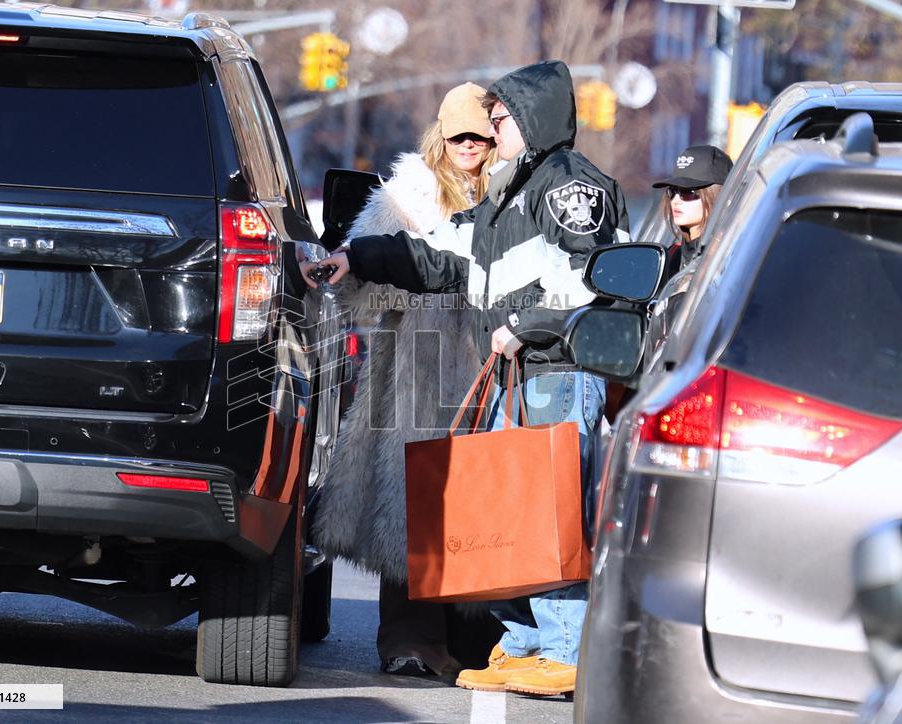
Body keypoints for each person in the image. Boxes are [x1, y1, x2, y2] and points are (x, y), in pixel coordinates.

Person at [305, 60, 630, 696]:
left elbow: (587, 276)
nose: (486, 137)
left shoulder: (564, 187)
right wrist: (357, 257)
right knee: (511, 509)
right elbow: (439, 254)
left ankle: (560, 646)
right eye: (472, 133)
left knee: (546, 509)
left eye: (497, 124)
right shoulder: (508, 191)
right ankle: (526, 643)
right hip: (489, 373)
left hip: (549, 366)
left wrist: (529, 325)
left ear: (527, 123)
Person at [308, 82, 500, 678]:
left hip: (488, 367)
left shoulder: (514, 196)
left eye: (480, 135)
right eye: (458, 133)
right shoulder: (406, 194)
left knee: (481, 504)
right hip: (414, 365)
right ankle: (409, 641)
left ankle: (478, 638)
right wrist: (366, 272)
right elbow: (360, 297)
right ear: (439, 136)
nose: (469, 145)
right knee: (411, 500)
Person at [652, 144, 733, 278]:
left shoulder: (727, 256)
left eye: (688, 192)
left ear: (717, 196)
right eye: (672, 191)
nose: (675, 200)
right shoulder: (672, 255)